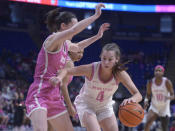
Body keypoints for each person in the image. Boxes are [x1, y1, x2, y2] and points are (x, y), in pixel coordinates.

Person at [25, 3, 110, 131]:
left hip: (54, 97)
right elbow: (73, 31)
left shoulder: (66, 43)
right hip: (40, 93)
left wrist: (97, 36)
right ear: (63, 26)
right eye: (73, 25)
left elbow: (78, 46)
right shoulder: (52, 40)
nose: (76, 29)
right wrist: (95, 16)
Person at [50, 43, 142, 131]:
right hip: (86, 105)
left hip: (105, 107)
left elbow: (138, 95)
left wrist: (132, 100)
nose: (106, 62)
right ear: (100, 57)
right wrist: (59, 78)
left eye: (110, 59)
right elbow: (66, 70)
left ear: (116, 59)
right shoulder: (91, 69)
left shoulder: (120, 74)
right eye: (104, 58)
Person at [144, 65, 174, 131]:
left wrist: (169, 97)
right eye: (156, 70)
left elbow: (173, 95)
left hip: (164, 107)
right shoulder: (150, 82)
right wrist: (146, 101)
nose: (157, 72)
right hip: (154, 106)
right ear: (154, 72)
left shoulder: (167, 82)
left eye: (159, 71)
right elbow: (148, 94)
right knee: (147, 124)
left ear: (163, 72)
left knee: (164, 128)